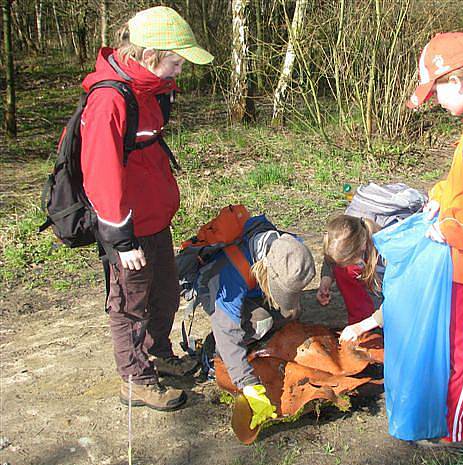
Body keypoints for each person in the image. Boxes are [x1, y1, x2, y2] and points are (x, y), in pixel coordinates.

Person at [345, 32, 463, 446]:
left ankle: (460, 433)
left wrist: (452, 228)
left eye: (436, 93)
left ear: (456, 82)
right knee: (455, 348)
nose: (434, 102)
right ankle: (450, 421)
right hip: (458, 258)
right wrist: (438, 197)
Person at [80, 6, 213, 411]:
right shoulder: (110, 101)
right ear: (151, 55)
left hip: (155, 218)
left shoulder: (149, 88)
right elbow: (101, 177)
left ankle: (159, 353)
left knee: (166, 295)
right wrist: (121, 242)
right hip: (129, 230)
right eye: (175, 62)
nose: (179, 71)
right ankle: (135, 379)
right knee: (130, 305)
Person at [195, 216, 316, 429]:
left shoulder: (290, 249)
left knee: (289, 313)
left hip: (249, 285)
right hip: (213, 289)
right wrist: (249, 385)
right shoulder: (230, 274)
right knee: (260, 322)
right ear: (265, 270)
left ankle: (254, 337)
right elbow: (227, 330)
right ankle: (212, 352)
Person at [317, 215, 384, 331]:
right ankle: (361, 317)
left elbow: (398, 302)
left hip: (407, 297)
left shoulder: (386, 255)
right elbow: (331, 258)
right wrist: (325, 280)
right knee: (341, 270)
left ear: (362, 249)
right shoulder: (344, 229)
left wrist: (362, 327)